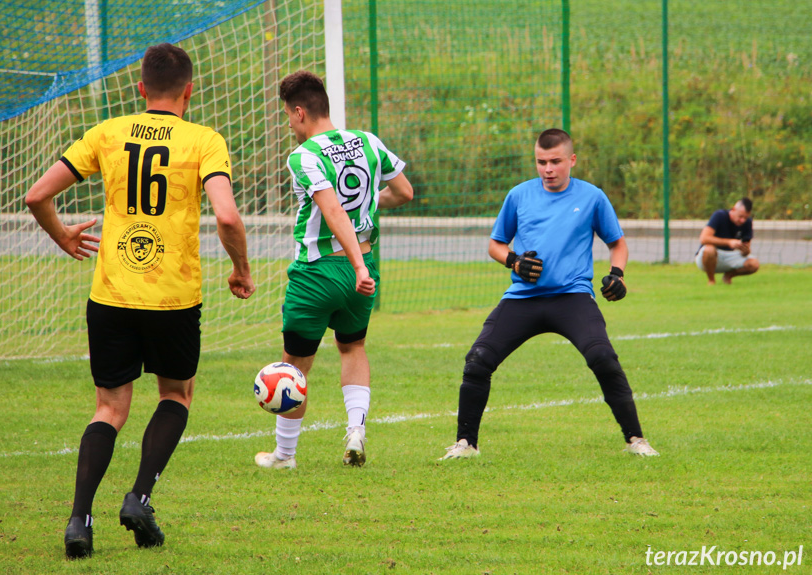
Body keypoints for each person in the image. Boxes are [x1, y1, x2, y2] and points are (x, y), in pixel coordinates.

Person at [25, 43, 255, 559]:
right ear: (189, 91)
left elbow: (37, 195)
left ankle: (79, 520)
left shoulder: (107, 132)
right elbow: (227, 217)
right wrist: (241, 269)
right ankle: (138, 498)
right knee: (176, 395)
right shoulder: (204, 140)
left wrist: (63, 235)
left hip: (110, 294)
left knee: (109, 407)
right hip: (173, 298)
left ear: (141, 89)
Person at [439, 128, 659, 461]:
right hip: (523, 298)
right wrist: (514, 261)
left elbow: (617, 243)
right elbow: (495, 245)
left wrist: (618, 274)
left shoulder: (592, 197)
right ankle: (466, 444)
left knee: (603, 357)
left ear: (572, 160)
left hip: (573, 297)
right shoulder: (519, 195)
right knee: (478, 360)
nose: (548, 169)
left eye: (555, 161)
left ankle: (636, 440)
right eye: (541, 162)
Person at [254, 70, 413, 470]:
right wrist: (363, 251)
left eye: (289, 116)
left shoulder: (304, 155)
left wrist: (355, 264)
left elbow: (331, 208)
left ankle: (284, 456)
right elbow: (404, 192)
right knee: (353, 346)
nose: (289, 124)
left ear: (300, 111)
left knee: (294, 364)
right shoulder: (368, 141)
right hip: (365, 265)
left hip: (319, 272)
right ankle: (356, 429)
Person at [695, 198, 759, 285]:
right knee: (709, 249)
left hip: (730, 256)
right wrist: (729, 242)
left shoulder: (747, 222)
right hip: (710, 256)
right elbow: (703, 238)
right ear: (733, 210)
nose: (742, 220)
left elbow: (747, 250)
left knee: (754, 264)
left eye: (745, 217)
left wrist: (745, 250)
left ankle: (728, 276)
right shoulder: (719, 215)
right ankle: (711, 280)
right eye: (740, 216)